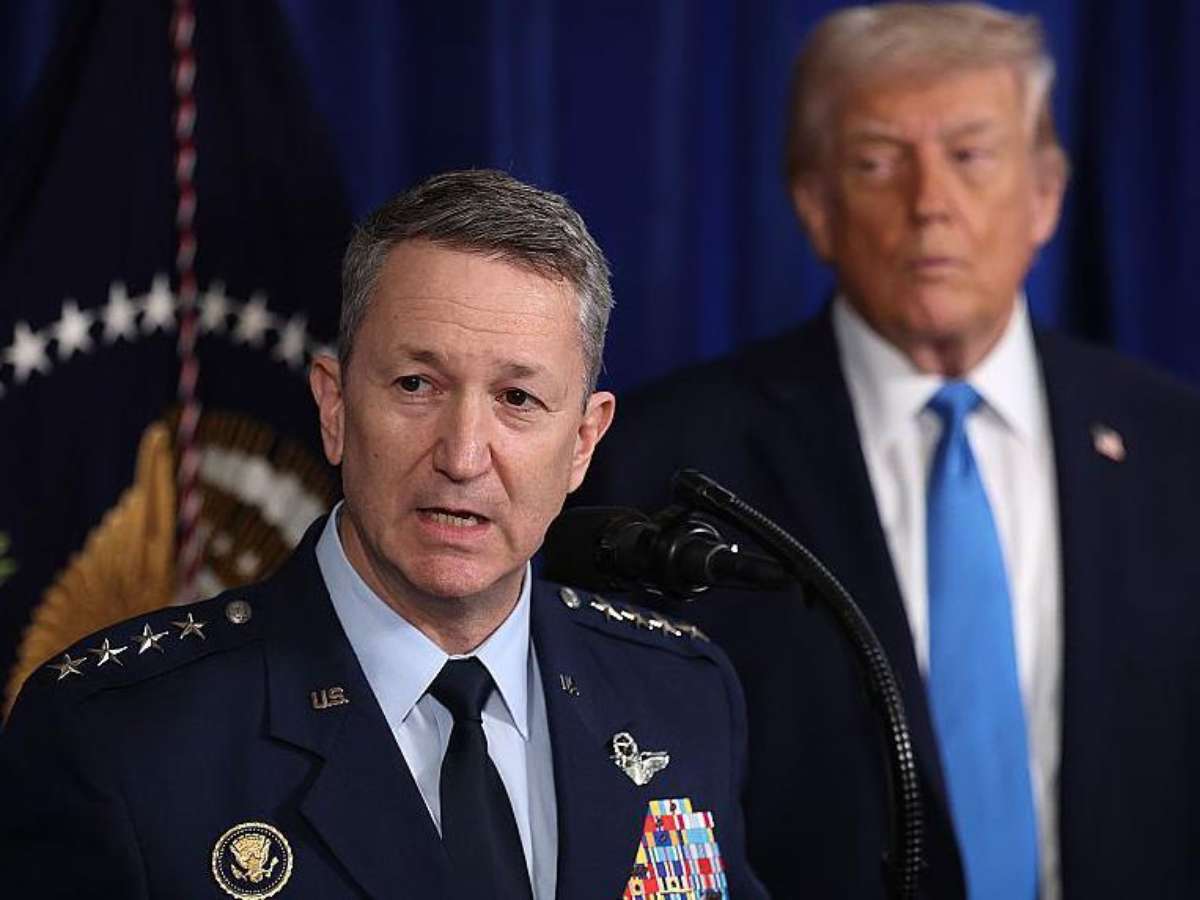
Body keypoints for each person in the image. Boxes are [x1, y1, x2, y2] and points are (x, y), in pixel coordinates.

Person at [0, 170, 767, 900]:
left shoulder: (679, 695)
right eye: (416, 385)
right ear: (334, 408)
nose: (463, 456)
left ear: (583, 443)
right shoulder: (118, 735)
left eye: (517, 398)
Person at [578, 4, 1200, 899]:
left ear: (1046, 195)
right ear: (815, 206)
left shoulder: (1177, 449)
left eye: (970, 155)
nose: (929, 203)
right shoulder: (664, 463)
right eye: (877, 162)